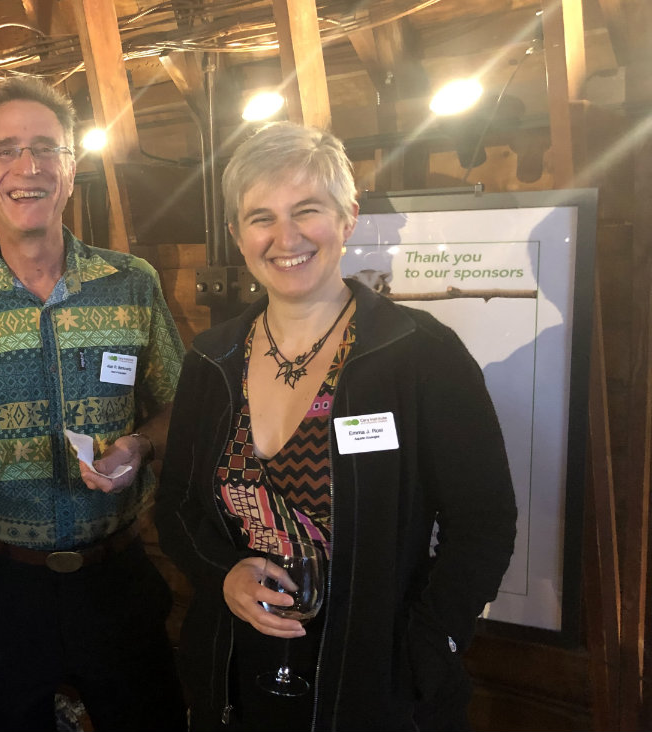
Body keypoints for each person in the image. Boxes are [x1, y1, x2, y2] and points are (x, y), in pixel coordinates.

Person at [155, 122, 517, 731]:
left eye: (307, 210)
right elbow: (178, 507)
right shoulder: (212, 359)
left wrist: (429, 644)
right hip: (240, 676)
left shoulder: (421, 354)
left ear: (348, 217)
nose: (285, 236)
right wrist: (225, 575)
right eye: (260, 216)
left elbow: (483, 521)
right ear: (237, 234)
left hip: (375, 682)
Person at [0, 77, 188, 732]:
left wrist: (140, 443)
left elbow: (182, 408)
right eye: (5, 151)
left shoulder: (131, 285)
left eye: (45, 149)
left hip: (115, 580)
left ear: (71, 168)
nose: (26, 167)